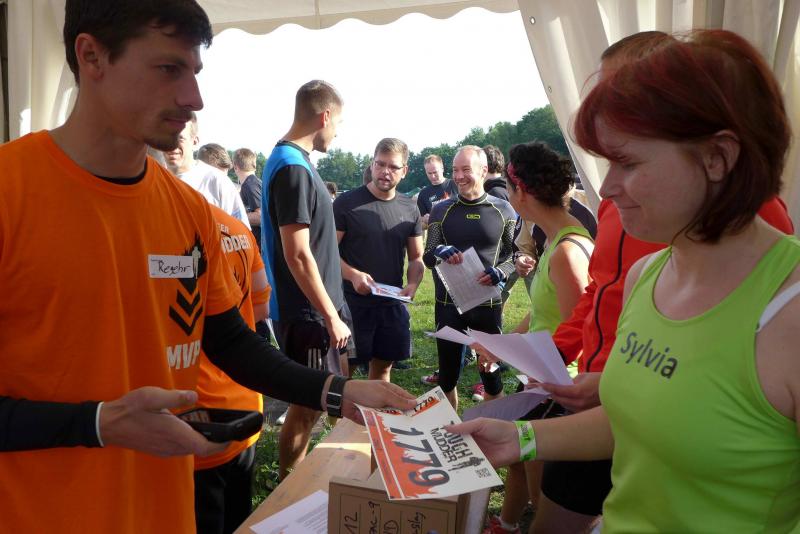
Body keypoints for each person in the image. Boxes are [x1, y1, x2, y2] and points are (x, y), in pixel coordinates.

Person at [0, 3, 415, 532]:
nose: (194, 98)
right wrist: (98, 424)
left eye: (195, 72)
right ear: (92, 56)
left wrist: (338, 392)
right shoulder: (12, 190)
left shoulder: (188, 210)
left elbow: (229, 341)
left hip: (166, 510)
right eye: (169, 69)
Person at [448, 29, 800, 533]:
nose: (608, 188)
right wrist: (519, 438)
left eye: (627, 162)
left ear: (718, 158)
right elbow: (632, 421)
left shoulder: (788, 313)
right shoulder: (645, 275)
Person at [478, 142, 594, 534]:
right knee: (519, 461)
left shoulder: (567, 251)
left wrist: (522, 358)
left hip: (557, 388)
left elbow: (580, 330)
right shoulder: (555, 240)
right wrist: (500, 345)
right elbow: (543, 311)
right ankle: (508, 523)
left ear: (522, 193)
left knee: (543, 489)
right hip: (541, 376)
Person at [261, 80, 355, 479]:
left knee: (328, 393)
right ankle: (288, 486)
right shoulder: (292, 168)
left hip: (317, 307)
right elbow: (298, 254)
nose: (337, 133)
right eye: (339, 124)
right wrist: (329, 315)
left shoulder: (293, 160)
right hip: (307, 312)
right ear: (325, 116)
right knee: (308, 403)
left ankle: (330, 468)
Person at [194, 204, 270, 534]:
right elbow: (262, 307)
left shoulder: (169, 230)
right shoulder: (238, 230)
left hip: (194, 417)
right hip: (244, 400)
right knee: (239, 518)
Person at [423, 146, 516, 410]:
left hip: (486, 306)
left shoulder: (504, 210)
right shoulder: (441, 210)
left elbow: (514, 256)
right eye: (455, 170)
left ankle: (494, 430)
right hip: (448, 305)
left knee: (492, 379)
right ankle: (449, 430)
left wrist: (501, 272)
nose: (459, 176)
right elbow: (428, 257)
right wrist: (439, 251)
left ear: (484, 170)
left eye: (466, 169)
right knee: (447, 378)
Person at [334, 138, 424, 382]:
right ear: (372, 164)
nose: (385, 171)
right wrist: (353, 275)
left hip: (391, 304)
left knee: (383, 369)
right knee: (345, 374)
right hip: (352, 304)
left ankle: (374, 409)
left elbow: (416, 257)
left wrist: (413, 284)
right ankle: (342, 410)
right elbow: (327, 253)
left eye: (393, 167)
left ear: (404, 170)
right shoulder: (346, 203)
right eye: (380, 164)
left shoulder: (410, 208)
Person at [163, 113, 250, 227]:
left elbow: (242, 232)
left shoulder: (217, 182)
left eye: (180, 138)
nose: (171, 144)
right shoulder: (152, 182)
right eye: (166, 137)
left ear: (195, 141)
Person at [417, 154, 457, 227]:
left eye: (435, 172)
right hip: (437, 231)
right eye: (429, 173)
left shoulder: (456, 185)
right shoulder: (423, 193)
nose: (432, 176)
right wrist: (425, 220)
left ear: (442, 169)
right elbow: (420, 223)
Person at [233, 148, 263, 243]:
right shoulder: (254, 182)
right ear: (254, 165)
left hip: (259, 245)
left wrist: (233, 216)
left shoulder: (250, 185)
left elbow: (260, 217)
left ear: (235, 167)